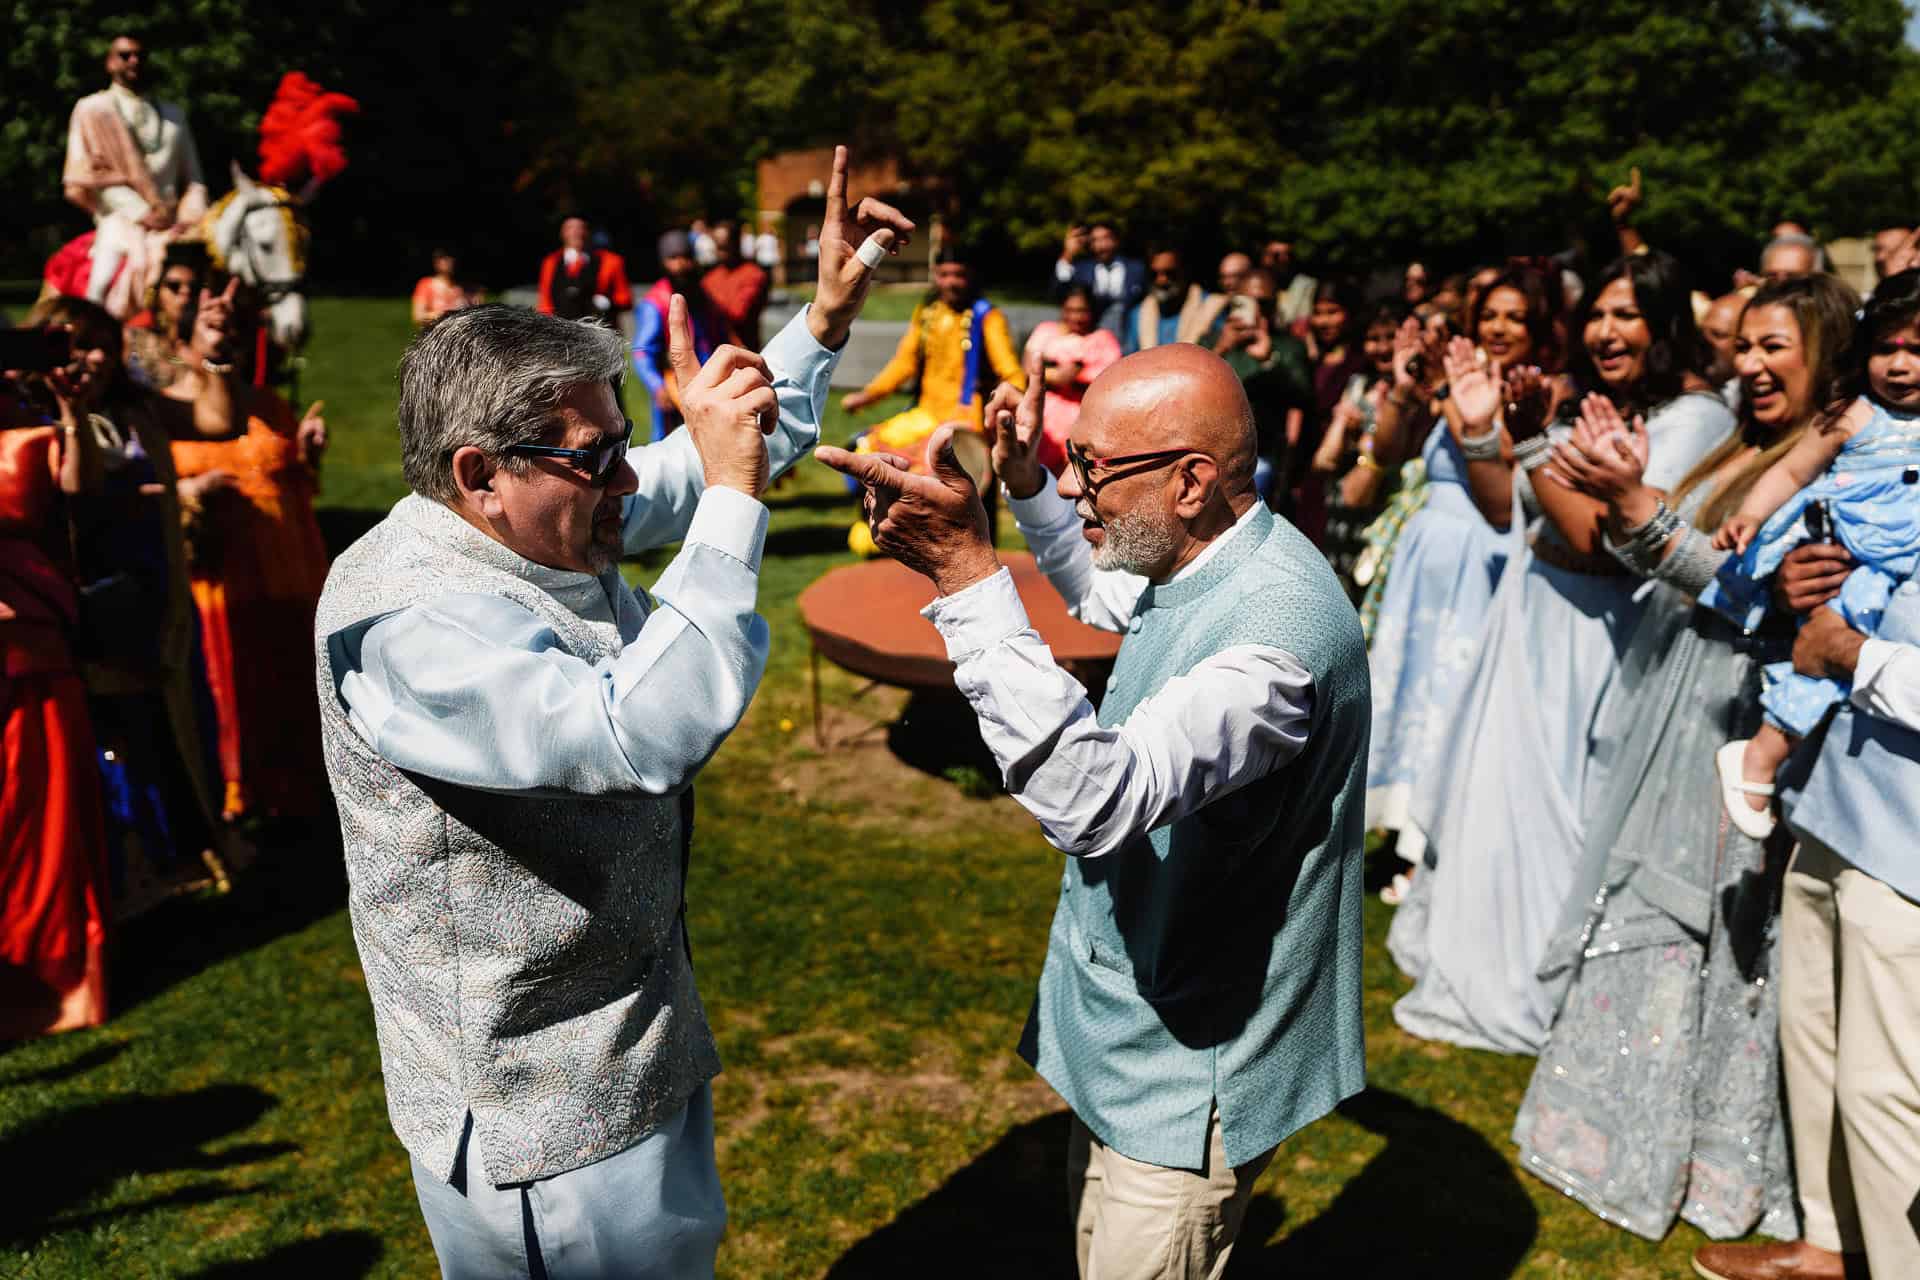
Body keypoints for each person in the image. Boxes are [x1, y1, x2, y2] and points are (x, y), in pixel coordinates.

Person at [313, 146, 909, 1279]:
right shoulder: (403, 628)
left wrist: (824, 321)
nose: (628, 481)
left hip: (630, 1055)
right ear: (479, 472)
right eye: (596, 458)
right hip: (537, 1124)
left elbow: (696, 460)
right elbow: (638, 735)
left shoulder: (539, 510)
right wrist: (734, 497)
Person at [817, 346, 1369, 1280]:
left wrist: (965, 573)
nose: (1076, 486)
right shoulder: (1208, 552)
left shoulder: (1277, 648)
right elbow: (1104, 587)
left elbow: (1093, 798)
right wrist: (1027, 482)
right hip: (1141, 1022)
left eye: (1093, 467)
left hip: (1199, 1065)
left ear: (1190, 481)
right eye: (1072, 460)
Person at [1511, 274, 1861, 1245]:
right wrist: (1624, 493)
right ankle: (1612, 1131)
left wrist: (1634, 500)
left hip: (1744, 720)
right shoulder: (1745, 444)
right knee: (1656, 909)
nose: (1750, 365)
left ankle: (1716, 1162)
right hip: (1684, 704)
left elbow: (1756, 598)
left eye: (1773, 346)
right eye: (1743, 346)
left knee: (1723, 930)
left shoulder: (1831, 464)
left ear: (1827, 352)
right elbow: (1673, 559)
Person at [1393, 253, 1734, 1054]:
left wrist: (1536, 442)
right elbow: (1505, 506)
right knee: (1498, 791)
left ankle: (1541, 976)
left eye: (1628, 315)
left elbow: (1599, 540)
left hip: (1598, 636)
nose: (1606, 332)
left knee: (1562, 806)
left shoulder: (1694, 419)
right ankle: (1483, 955)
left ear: (1664, 325)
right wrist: (1486, 430)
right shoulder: (1594, 401)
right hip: (1535, 607)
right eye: (1599, 314)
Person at [1691, 578, 1920, 1280]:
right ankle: (1832, 1243)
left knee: (1885, 1089)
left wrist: (1851, 653)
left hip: (1911, 846)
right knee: (1812, 1033)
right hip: (1841, 796)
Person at [1702, 270, 1920, 837]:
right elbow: (1792, 471)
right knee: (1828, 658)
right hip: (1854, 564)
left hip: (1905, 576)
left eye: (1917, 351)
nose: (1900, 366)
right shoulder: (1854, 414)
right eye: (1886, 349)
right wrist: (1751, 515)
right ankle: (1761, 754)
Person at [26, 295, 226, 914]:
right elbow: (77, 489)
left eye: (101, 346)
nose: (89, 359)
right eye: (73, 345)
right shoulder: (29, 415)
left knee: (164, 723)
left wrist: (215, 352)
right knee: (109, 736)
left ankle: (178, 854)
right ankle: (130, 867)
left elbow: (218, 421)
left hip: (152, 596)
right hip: (84, 602)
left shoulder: (134, 409)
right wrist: (70, 413)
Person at [1364, 269, 1553, 875]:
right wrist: (1406, 389)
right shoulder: (1454, 381)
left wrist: (1451, 394)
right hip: (1428, 558)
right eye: (1491, 315)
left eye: (1515, 317)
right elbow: (1386, 451)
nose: (1499, 327)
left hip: (1485, 554)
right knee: (1409, 681)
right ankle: (1395, 817)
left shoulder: (1535, 392)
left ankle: (1438, 831)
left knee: (1455, 684)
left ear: (1538, 328)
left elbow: (1504, 475)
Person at [160, 278, 332, 820]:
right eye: (215, 330)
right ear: (182, 338)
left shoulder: (267, 404)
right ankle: (238, 797)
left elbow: (297, 487)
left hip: (289, 569)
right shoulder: (165, 411)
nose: (228, 340)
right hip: (219, 576)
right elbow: (147, 488)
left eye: (235, 332)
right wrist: (191, 490)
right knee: (228, 684)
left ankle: (299, 793)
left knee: (290, 681)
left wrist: (307, 454)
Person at [1, 331, 112, 1039]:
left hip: (33, 638)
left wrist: (70, 414)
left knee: (39, 810)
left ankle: (52, 974)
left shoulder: (29, 420)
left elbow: (81, 490)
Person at [840, 247, 1024, 476]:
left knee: (929, 469)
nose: (951, 282)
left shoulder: (987, 317)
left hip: (966, 417)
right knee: (865, 448)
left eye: (959, 275)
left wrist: (1017, 407)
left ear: (971, 277)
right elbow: (904, 363)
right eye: (944, 275)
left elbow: (1010, 372)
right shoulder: (928, 312)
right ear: (935, 275)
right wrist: (868, 396)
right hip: (927, 412)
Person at [61, 33, 207, 315]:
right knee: (100, 286)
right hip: (119, 219)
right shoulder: (92, 109)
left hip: (173, 225)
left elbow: (194, 180)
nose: (134, 61)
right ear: (109, 63)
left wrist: (189, 219)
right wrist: (142, 213)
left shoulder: (174, 115)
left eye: (140, 55)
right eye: (125, 55)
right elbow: (90, 175)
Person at [1212, 268, 1313, 506]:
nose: (1256, 310)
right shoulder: (1214, 340)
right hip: (1213, 454)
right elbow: (1187, 385)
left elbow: (1304, 397)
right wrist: (1221, 349)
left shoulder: (1288, 347)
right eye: (1248, 302)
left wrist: (1269, 360)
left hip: (1265, 458)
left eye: (1263, 304)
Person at [633, 231, 725, 441]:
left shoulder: (702, 295)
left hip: (708, 383)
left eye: (686, 256)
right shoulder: (655, 302)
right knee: (668, 444)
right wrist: (657, 386)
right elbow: (642, 351)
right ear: (664, 262)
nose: (681, 264)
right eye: (673, 258)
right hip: (673, 387)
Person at [1022, 284, 1123, 474]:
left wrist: (1053, 373)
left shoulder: (1103, 340)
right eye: (1070, 310)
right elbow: (1028, 369)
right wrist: (1056, 376)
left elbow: (1107, 380)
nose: (1076, 317)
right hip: (1045, 422)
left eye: (1081, 311)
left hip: (1082, 422)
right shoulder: (1046, 331)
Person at [122, 241, 205, 391]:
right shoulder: (132, 338)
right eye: (174, 286)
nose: (185, 292)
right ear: (157, 292)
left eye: (193, 288)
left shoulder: (206, 345)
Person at [536, 215, 633, 328]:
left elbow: (625, 299)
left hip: (599, 328)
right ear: (562, 233)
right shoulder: (551, 262)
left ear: (588, 232)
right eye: (570, 228)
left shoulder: (611, 261)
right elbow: (545, 303)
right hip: (562, 329)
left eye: (580, 228)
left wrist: (608, 303)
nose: (576, 233)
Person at [1125, 249, 1226, 355]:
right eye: (1154, 274)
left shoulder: (1212, 308)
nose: (1161, 280)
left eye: (1170, 273)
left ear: (1185, 271)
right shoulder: (1138, 314)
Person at [1055, 221, 1147, 336]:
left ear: (1116, 241)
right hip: (1091, 332)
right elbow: (1061, 289)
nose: (1102, 245)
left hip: (1128, 332)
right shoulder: (1082, 269)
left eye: (1106, 238)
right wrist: (1068, 254)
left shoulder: (1136, 269)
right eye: (1095, 240)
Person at [701, 220, 771, 349]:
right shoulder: (710, 278)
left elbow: (737, 312)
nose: (719, 253)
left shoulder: (753, 274)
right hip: (714, 348)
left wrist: (710, 303)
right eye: (717, 247)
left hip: (745, 347)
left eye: (724, 247)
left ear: (736, 244)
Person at [411, 248, 479, 327]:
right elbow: (418, 316)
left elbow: (477, 315)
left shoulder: (469, 287)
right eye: (444, 258)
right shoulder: (426, 284)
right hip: (438, 331)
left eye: (452, 257)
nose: (449, 261)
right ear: (436, 262)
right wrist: (443, 315)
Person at [1261, 238, 1317, 326]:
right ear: (1265, 258)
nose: (1283, 259)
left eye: (1288, 255)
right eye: (1276, 255)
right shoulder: (1253, 283)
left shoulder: (1307, 285)